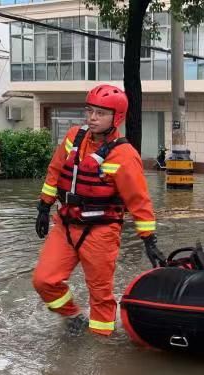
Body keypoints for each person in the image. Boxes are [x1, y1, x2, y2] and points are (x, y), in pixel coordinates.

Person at [32, 84, 166, 337]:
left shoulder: (125, 155)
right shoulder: (74, 137)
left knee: (100, 295)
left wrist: (149, 239)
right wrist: (43, 205)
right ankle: (73, 316)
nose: (92, 118)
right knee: (44, 280)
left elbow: (139, 201)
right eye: (90, 111)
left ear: (116, 118)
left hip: (101, 232)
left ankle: (100, 353)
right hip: (66, 226)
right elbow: (55, 172)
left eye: (100, 113)